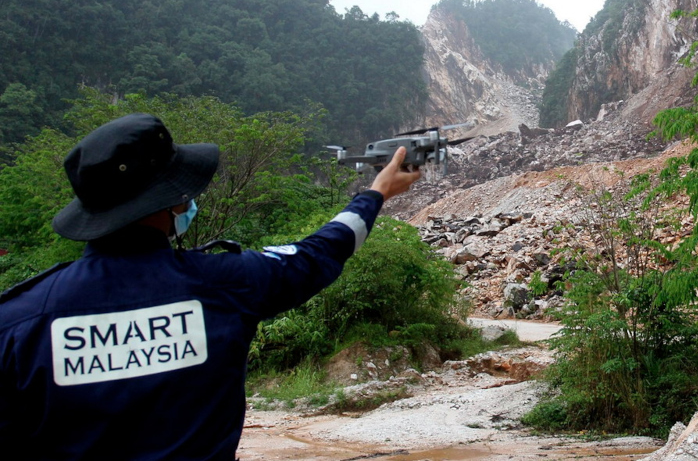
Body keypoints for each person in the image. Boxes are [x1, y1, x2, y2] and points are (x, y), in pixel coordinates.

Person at [0, 112, 420, 460]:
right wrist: (376, 192)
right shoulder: (227, 283)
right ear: (172, 203)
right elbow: (320, 253)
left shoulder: (18, 322)